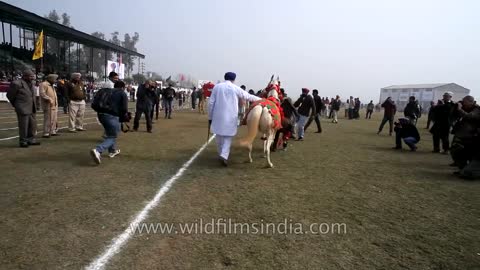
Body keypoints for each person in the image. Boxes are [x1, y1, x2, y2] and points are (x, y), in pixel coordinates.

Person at [208, 72, 261, 166]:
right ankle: (224, 156)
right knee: (227, 138)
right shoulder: (235, 88)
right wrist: (262, 100)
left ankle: (221, 154)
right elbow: (248, 96)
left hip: (218, 116)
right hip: (230, 117)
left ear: (225, 77)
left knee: (219, 137)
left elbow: (211, 103)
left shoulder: (217, 87)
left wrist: (210, 116)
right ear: (234, 79)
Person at [90, 81, 129, 165]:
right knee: (113, 136)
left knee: (109, 133)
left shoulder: (105, 92)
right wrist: (124, 117)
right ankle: (98, 150)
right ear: (123, 87)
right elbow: (124, 108)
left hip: (100, 115)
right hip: (111, 116)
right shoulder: (121, 93)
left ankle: (112, 150)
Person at [6, 70, 41, 148]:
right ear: (25, 76)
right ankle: (23, 141)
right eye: (31, 76)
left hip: (32, 107)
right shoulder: (16, 83)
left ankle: (31, 140)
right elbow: (10, 95)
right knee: (23, 126)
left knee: (32, 125)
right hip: (22, 108)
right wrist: (16, 105)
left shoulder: (32, 84)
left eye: (33, 76)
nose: (32, 78)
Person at [450, 96, 480, 174]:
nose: (463, 103)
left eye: (465, 102)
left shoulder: (477, 109)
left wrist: (460, 109)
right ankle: (462, 169)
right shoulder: (466, 108)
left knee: (471, 154)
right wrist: (456, 107)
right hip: (463, 135)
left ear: (471, 102)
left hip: (473, 137)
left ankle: (469, 170)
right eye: (463, 102)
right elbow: (452, 114)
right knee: (455, 150)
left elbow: (469, 116)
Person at [39, 74, 59, 138]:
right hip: (48, 104)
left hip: (54, 104)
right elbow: (42, 93)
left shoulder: (51, 85)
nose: (55, 81)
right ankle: (46, 132)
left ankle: (53, 131)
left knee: (54, 118)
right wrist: (49, 99)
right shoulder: (44, 84)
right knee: (48, 119)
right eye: (54, 79)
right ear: (51, 79)